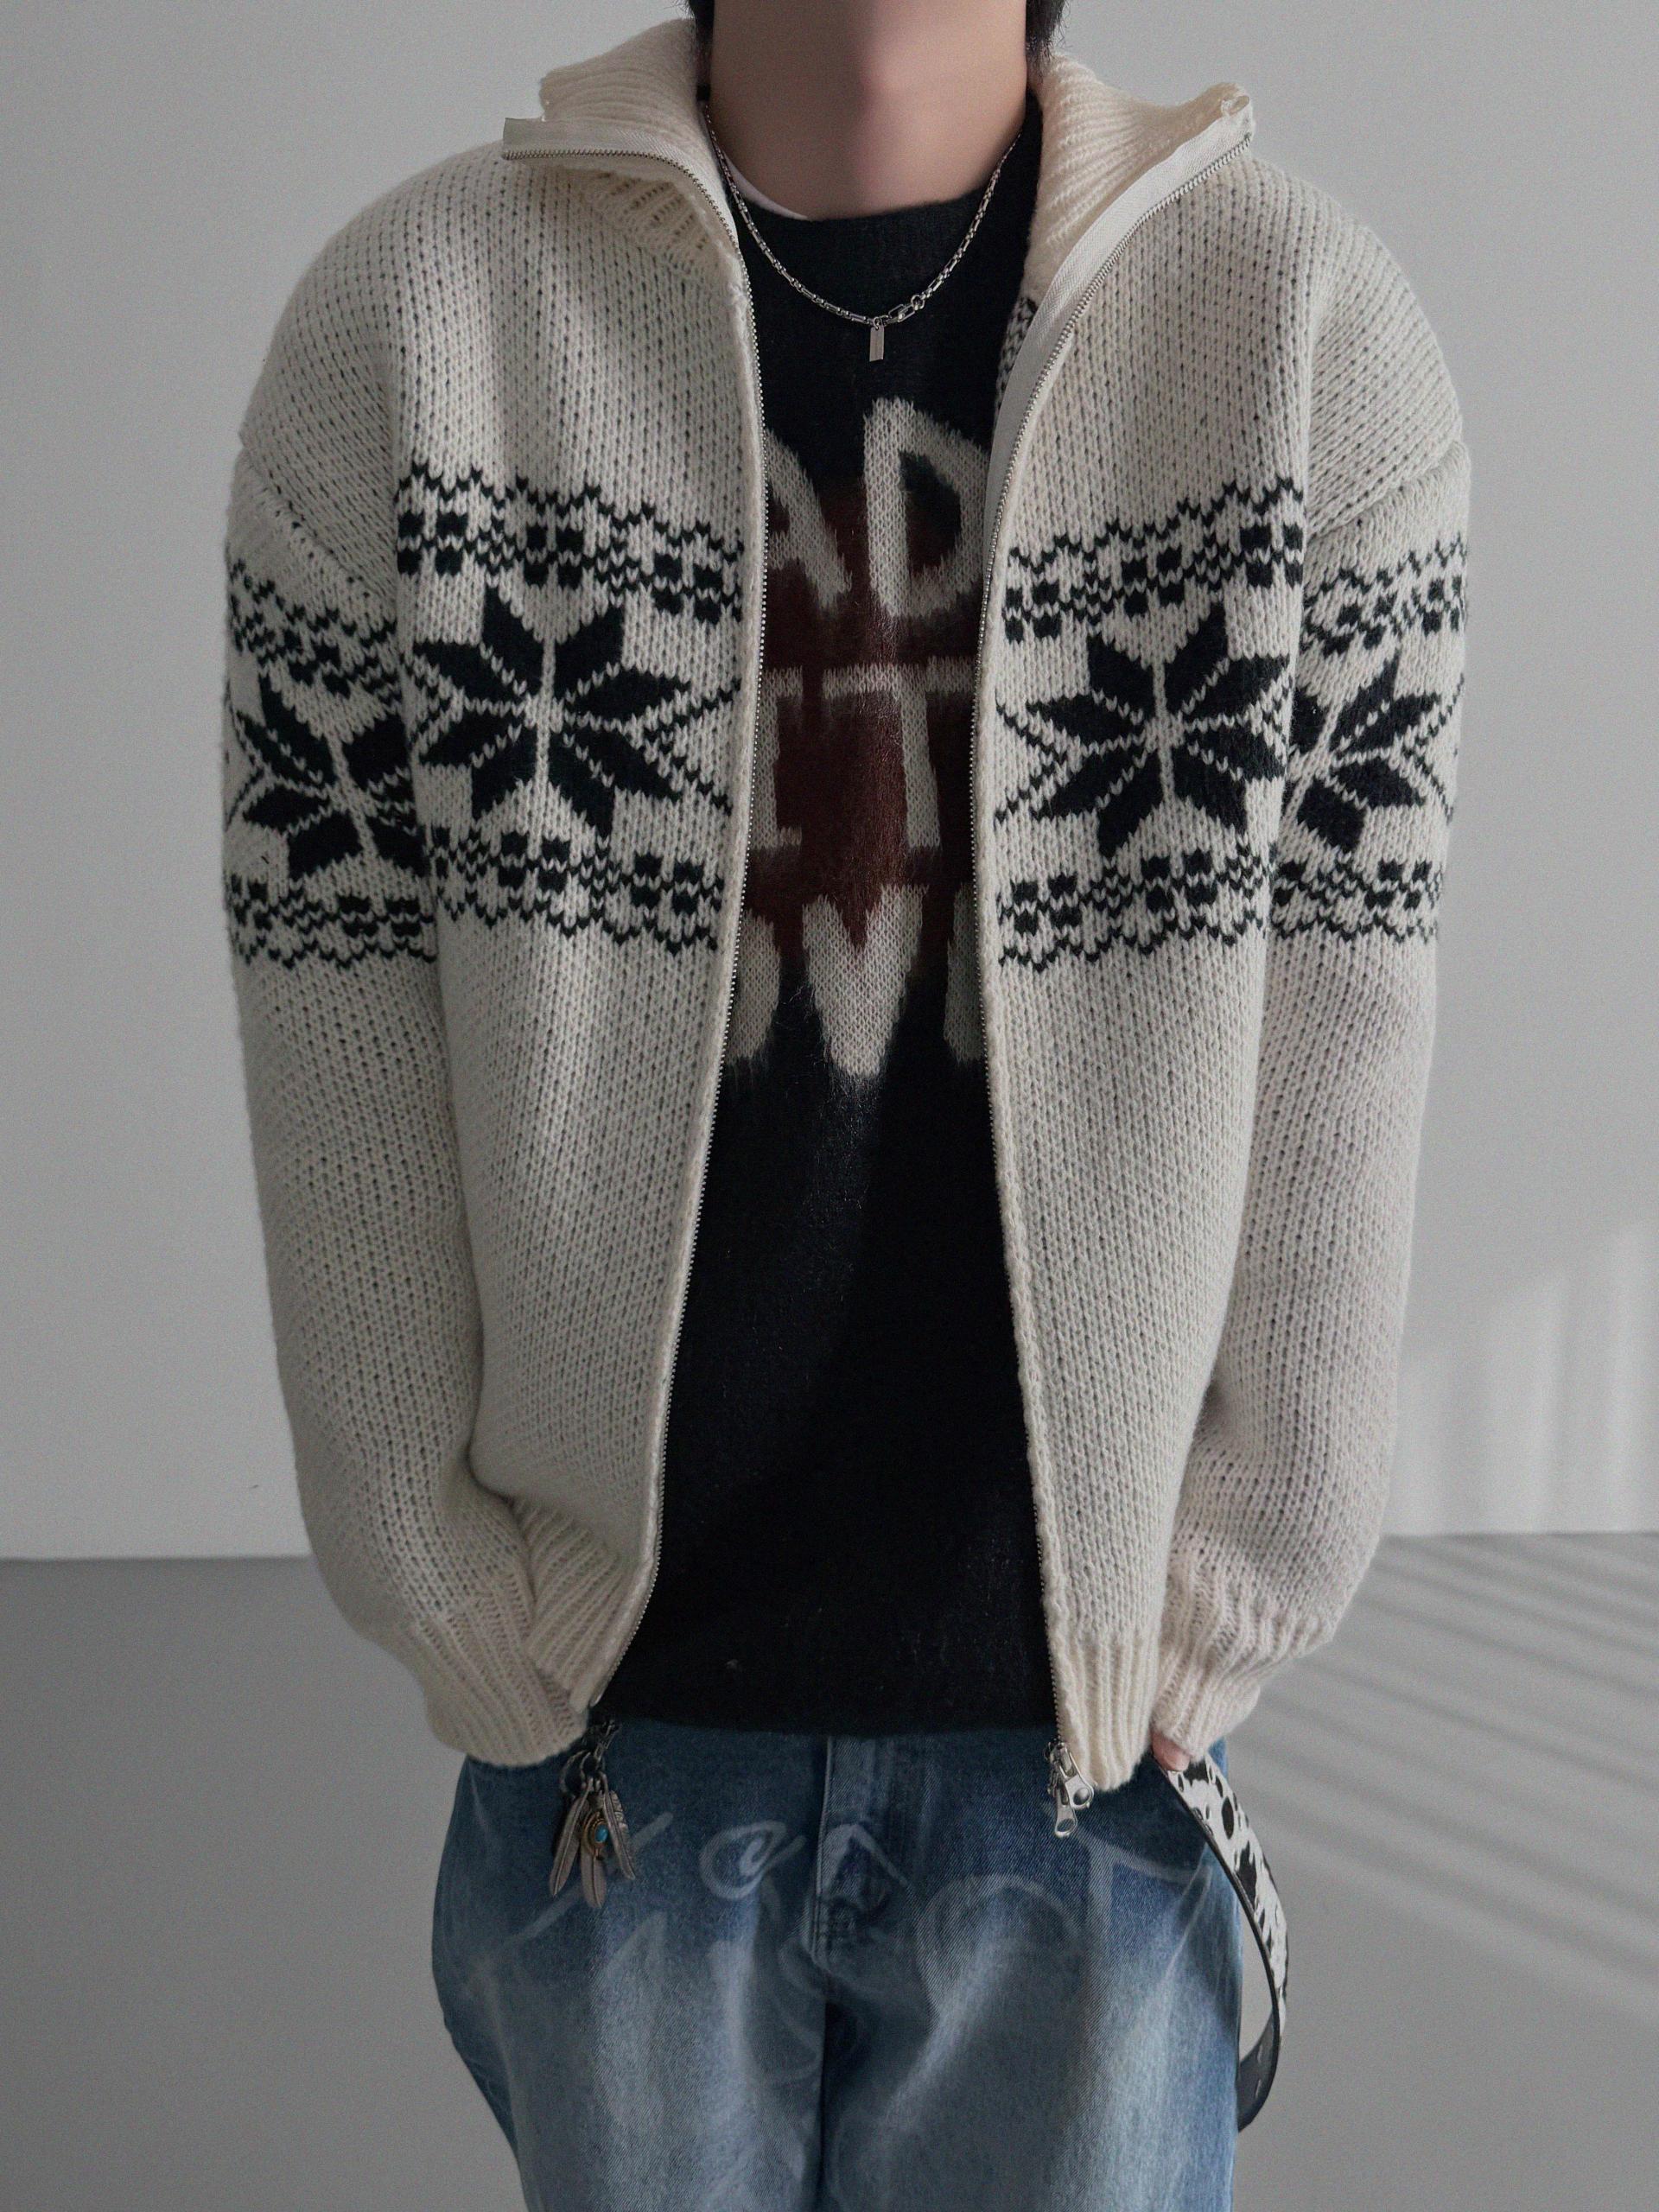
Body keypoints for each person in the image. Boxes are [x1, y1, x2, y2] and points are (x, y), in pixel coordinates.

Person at [219, 2, 1469, 2205]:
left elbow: (1347, 1003)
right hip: (619, 1734)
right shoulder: (412, 341)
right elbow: (336, 1000)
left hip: (1083, 1749)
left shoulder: (1299, 341)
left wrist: (1239, 1574)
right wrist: (441, 1580)